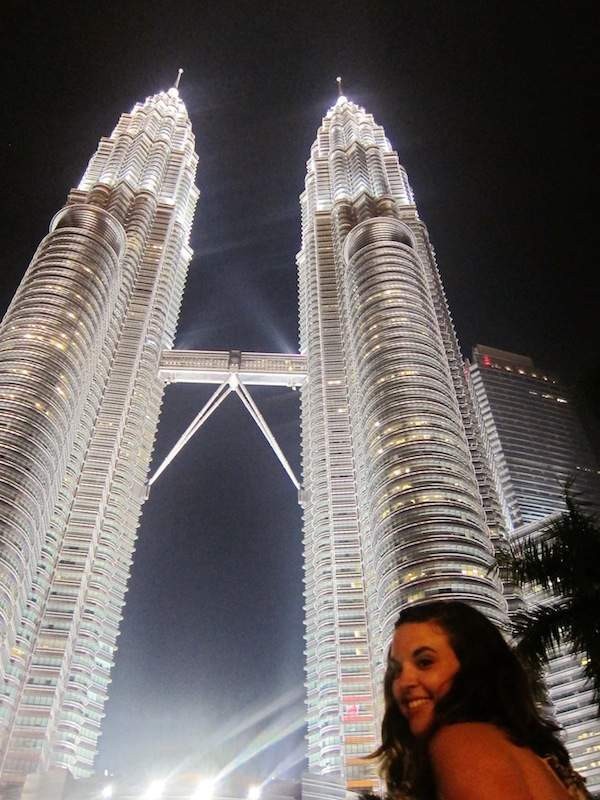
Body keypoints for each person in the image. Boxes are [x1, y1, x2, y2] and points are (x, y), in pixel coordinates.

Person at [371, 600, 591, 800]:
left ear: (473, 667)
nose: (404, 681)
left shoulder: (461, 741)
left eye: (425, 662)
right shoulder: (516, 748)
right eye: (397, 670)